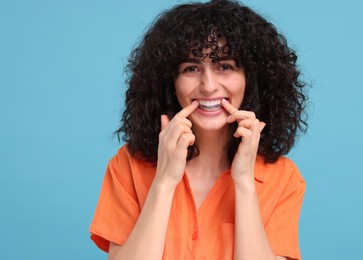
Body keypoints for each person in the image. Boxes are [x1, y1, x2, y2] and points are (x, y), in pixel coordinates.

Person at [89, 0, 308, 259]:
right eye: (191, 68)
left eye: (225, 66)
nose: (208, 86)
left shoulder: (283, 179)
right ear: (169, 82)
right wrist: (164, 181)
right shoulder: (127, 166)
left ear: (252, 79)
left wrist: (244, 184)